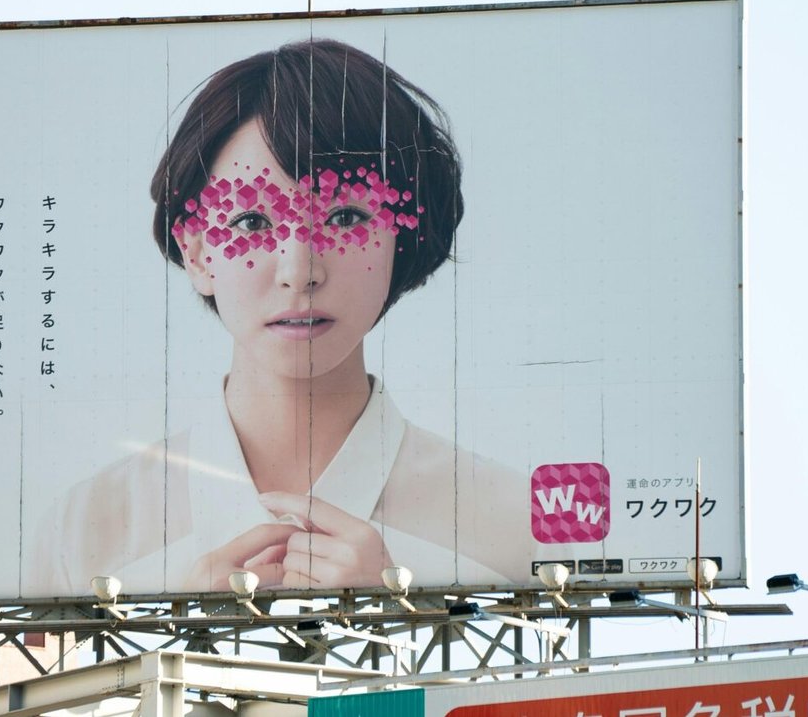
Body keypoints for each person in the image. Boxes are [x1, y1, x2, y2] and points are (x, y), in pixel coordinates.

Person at [37, 38, 531, 596]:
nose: (300, 271)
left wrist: (397, 611)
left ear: (402, 239)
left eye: (345, 217)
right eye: (251, 223)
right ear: (197, 252)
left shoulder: (511, 529)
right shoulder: (82, 532)